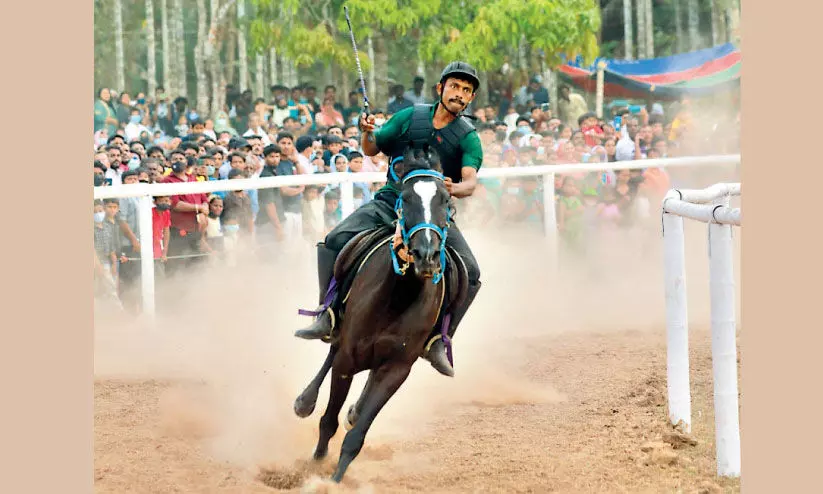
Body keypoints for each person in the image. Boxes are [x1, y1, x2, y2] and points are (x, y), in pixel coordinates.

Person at [295, 61, 485, 378]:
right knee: (332, 242)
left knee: (473, 274)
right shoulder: (410, 117)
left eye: (467, 91)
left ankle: (438, 338)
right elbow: (372, 148)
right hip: (390, 201)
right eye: (455, 86)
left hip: (431, 215)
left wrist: (456, 188)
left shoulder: (468, 137)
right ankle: (326, 314)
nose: (460, 94)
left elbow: (470, 181)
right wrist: (367, 132)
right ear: (440, 88)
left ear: (470, 99)